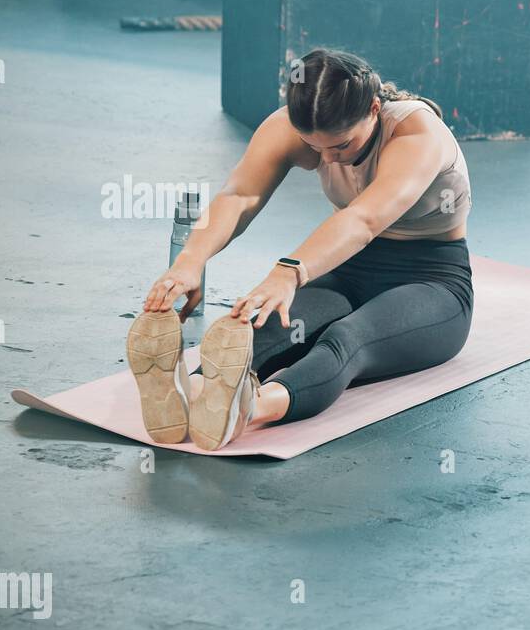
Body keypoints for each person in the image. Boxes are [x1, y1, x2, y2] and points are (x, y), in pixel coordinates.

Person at [126, 48, 473, 450]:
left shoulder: (417, 134)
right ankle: (196, 392)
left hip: (432, 281)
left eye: (340, 147)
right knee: (264, 328)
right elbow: (240, 195)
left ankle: (248, 408)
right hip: (346, 269)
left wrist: (288, 272)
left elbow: (363, 220)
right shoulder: (293, 125)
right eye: (314, 146)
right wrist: (190, 261)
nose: (326, 158)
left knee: (348, 339)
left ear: (374, 109)